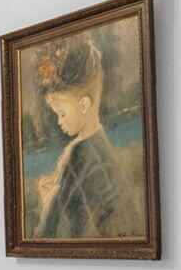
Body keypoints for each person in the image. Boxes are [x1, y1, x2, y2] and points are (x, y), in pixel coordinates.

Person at [30, 38, 143, 239]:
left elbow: (57, 230)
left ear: (83, 105)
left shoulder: (82, 157)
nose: (58, 121)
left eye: (61, 113)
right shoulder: (95, 148)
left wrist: (48, 200)